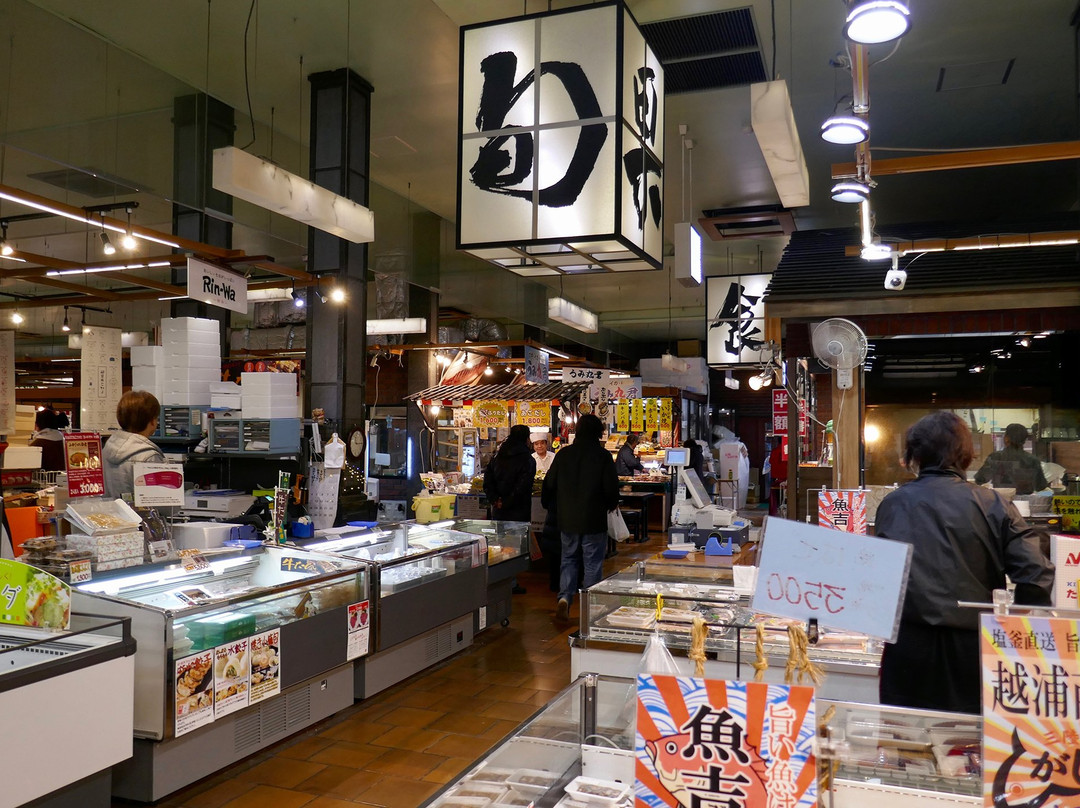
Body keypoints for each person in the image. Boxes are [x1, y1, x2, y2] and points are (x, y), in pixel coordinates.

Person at [875, 411, 1053, 714]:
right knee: (968, 747)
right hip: (974, 648)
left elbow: (877, 581)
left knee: (904, 745)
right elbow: (1035, 576)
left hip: (907, 647)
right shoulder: (994, 504)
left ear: (914, 454)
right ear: (966, 455)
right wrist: (1011, 630)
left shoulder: (893, 504)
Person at [542, 413, 619, 620]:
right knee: (592, 562)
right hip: (594, 519)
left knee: (568, 559)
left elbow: (548, 483)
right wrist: (611, 504)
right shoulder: (602, 456)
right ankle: (589, 606)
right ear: (598, 433)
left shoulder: (564, 454)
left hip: (567, 518)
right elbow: (611, 488)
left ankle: (564, 598)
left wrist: (548, 504)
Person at [103, 390, 165, 500]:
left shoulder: (106, 451)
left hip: (111, 516)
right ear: (152, 421)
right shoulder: (149, 456)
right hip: (141, 517)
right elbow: (164, 505)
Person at [973, 423, 1048, 495]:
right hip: (1025, 503)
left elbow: (980, 479)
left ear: (1006, 438)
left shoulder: (995, 457)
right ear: (1024, 440)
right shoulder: (1033, 460)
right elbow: (1040, 486)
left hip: (1001, 501)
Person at [483, 425, 536, 523]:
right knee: (519, 538)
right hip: (519, 512)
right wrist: (506, 502)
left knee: (499, 537)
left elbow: (487, 480)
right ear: (526, 438)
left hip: (498, 510)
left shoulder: (497, 456)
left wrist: (495, 500)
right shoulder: (527, 459)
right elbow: (523, 486)